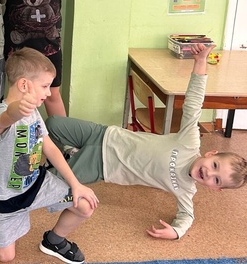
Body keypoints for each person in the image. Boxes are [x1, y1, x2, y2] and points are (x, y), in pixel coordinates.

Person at [45, 42, 247, 240]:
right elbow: (193, 104)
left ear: (215, 189)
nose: (209, 173)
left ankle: (63, 165)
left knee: (45, 183)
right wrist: (200, 62)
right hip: (104, 134)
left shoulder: (185, 188)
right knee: (53, 124)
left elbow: (187, 215)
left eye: (216, 180)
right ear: (211, 154)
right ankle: (69, 154)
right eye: (215, 165)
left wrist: (176, 232)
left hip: (102, 164)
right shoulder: (190, 142)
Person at [0, 47, 98, 264]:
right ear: (24, 85)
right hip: (6, 199)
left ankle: (54, 241)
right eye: (45, 86)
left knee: (85, 204)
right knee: (6, 257)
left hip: (37, 184)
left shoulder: (35, 112)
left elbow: (50, 148)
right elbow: (8, 116)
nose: (49, 93)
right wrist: (19, 109)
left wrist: (75, 184)